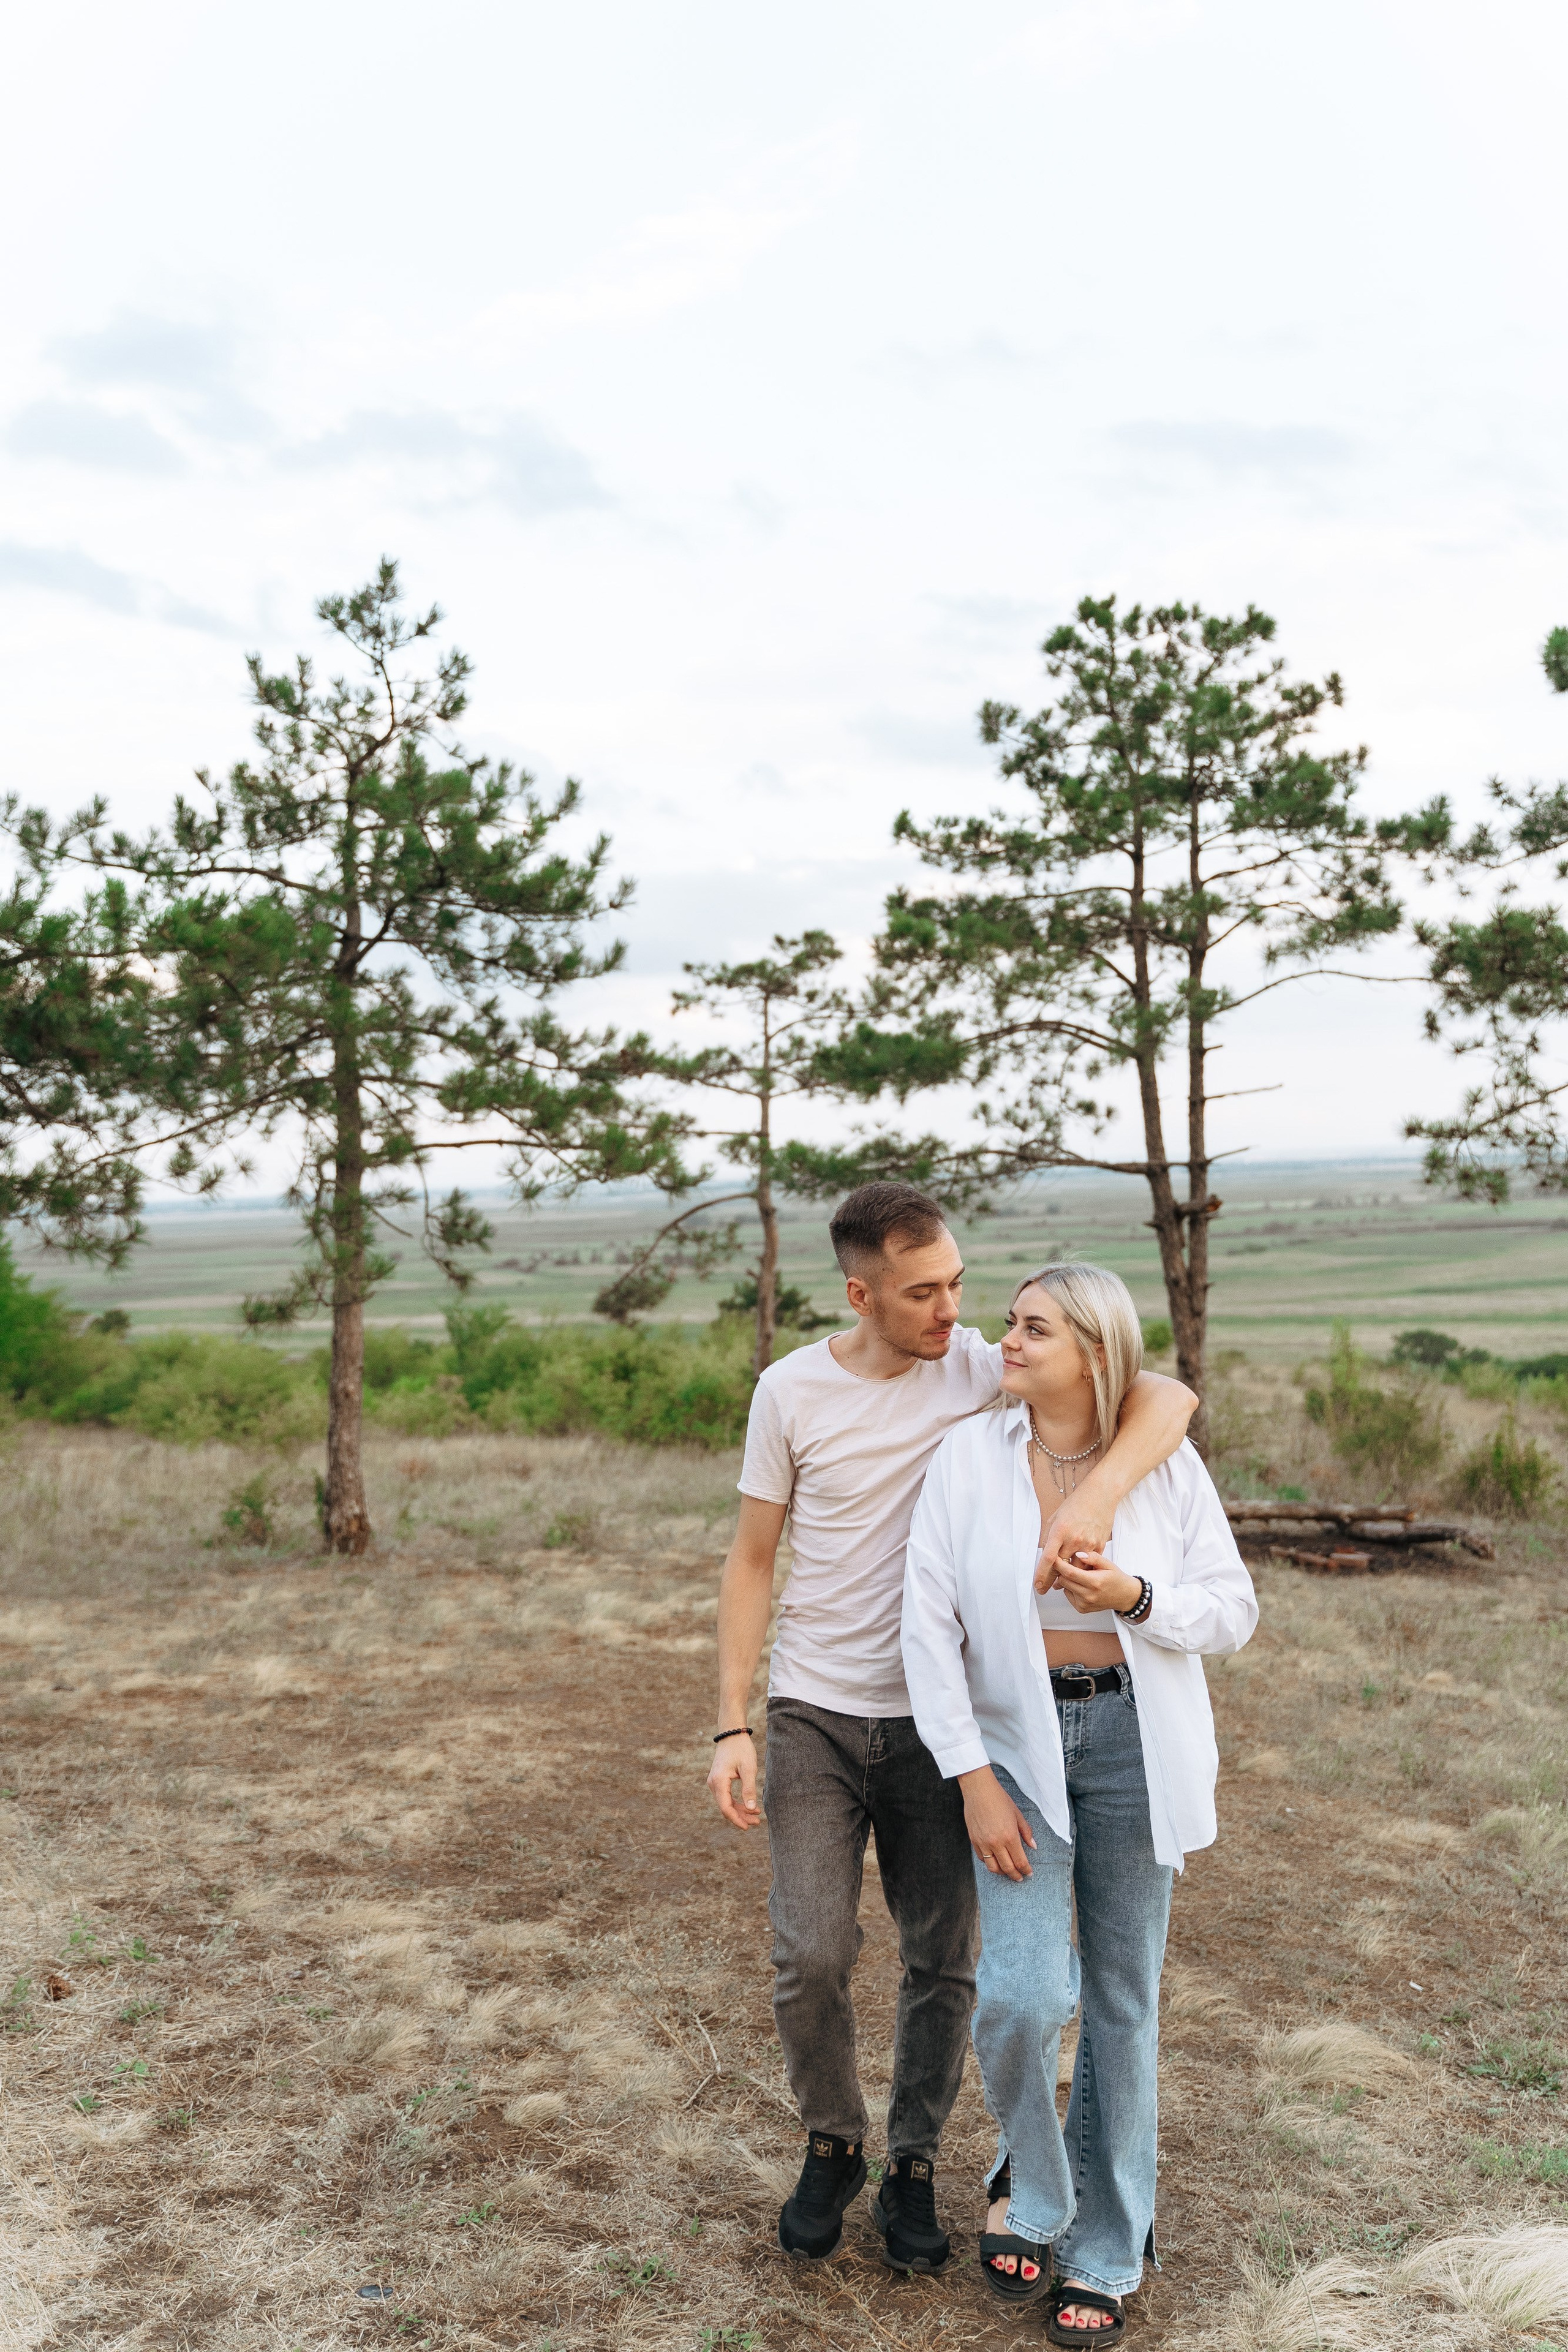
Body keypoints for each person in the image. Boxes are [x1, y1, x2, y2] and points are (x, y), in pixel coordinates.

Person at [704, 1185, 1197, 2274]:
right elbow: (750, 1560)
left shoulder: (982, 1364)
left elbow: (1161, 1392)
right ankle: (833, 2138)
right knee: (811, 1950)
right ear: (860, 1294)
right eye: (924, 1292)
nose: (952, 1312)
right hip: (816, 1713)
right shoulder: (789, 1393)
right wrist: (729, 1721)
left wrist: (1095, 1497)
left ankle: (915, 2161)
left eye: (960, 1286)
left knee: (946, 1958)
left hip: (953, 1720)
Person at [901, 1261, 1257, 2343]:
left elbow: (1232, 1610)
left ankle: (1108, 2241)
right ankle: (1040, 2187)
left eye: (1033, 1329)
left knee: (1120, 2000)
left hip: (1132, 1742)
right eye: (1008, 1322)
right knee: (1016, 1996)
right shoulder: (969, 1456)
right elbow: (927, 1626)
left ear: (1095, 1354)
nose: (1004, 1341)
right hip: (1011, 1748)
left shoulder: (1164, 1470)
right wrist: (971, 1780)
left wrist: (1133, 1598)